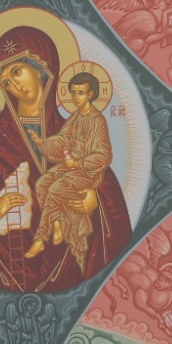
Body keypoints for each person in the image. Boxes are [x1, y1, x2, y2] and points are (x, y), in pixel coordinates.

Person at [0, 25, 131, 293]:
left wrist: (95, 202)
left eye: (16, 71)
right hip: (9, 274)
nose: (13, 85)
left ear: (42, 68)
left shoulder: (78, 128)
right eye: (5, 81)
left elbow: (107, 192)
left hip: (71, 272)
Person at [25, 71, 112, 273]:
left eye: (80, 93)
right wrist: (42, 142)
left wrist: (78, 163)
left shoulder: (97, 121)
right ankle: (58, 220)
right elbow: (62, 140)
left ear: (90, 94)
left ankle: (40, 237)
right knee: (42, 184)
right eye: (73, 93)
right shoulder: (75, 117)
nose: (76, 97)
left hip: (87, 171)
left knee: (56, 188)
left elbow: (103, 155)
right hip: (70, 166)